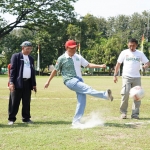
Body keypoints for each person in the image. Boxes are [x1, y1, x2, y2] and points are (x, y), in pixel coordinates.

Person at [44, 40, 113, 126]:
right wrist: (48, 81)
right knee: (88, 88)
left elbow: (88, 65)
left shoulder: (78, 57)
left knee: (82, 101)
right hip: (70, 80)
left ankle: (76, 121)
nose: (74, 49)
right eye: (72, 48)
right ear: (67, 48)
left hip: (79, 80)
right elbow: (55, 70)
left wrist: (100, 66)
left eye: (75, 48)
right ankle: (105, 95)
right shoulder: (61, 58)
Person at [113, 38, 149, 119]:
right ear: (128, 45)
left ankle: (135, 114)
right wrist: (115, 75)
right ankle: (123, 113)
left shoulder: (140, 53)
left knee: (137, 96)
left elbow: (147, 62)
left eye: (133, 46)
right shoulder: (124, 52)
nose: (131, 47)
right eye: (130, 45)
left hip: (137, 77)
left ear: (136, 45)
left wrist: (145, 66)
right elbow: (118, 64)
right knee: (125, 94)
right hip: (126, 77)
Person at [8, 41, 37, 125]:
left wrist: (34, 84)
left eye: (30, 49)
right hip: (17, 82)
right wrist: (11, 82)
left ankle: (26, 118)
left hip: (28, 83)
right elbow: (12, 70)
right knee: (14, 101)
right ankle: (11, 119)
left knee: (26, 101)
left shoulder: (31, 58)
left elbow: (32, 72)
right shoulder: (16, 56)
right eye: (27, 49)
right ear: (22, 48)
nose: (28, 50)